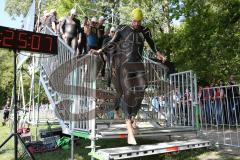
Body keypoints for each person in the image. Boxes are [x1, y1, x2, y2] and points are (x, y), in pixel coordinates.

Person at [90, 8, 165, 145]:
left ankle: (132, 116)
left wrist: (158, 53)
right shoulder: (122, 29)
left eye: (139, 22)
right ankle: (129, 126)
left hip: (138, 64)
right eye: (135, 21)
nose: (137, 24)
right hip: (125, 65)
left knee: (142, 87)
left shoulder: (145, 30)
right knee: (129, 92)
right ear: (131, 19)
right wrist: (100, 50)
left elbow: (152, 43)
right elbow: (112, 42)